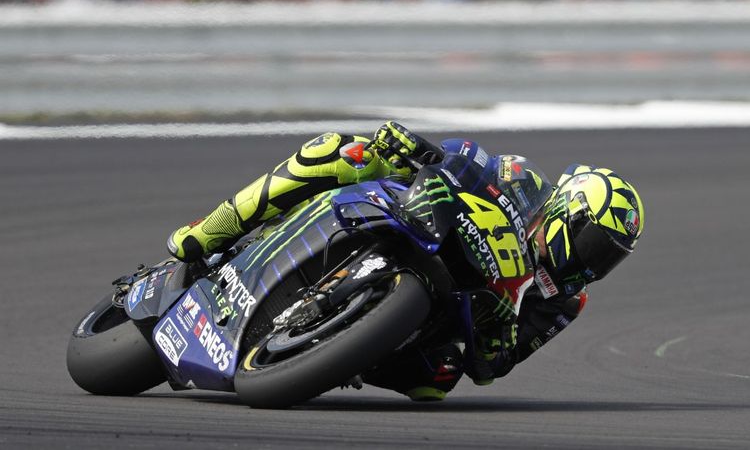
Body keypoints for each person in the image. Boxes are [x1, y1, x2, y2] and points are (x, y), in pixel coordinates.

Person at [168, 121, 645, 401]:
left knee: (438, 381)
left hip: (444, 309)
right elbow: (466, 159)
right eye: (597, 245)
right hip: (419, 216)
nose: (595, 263)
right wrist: (415, 149)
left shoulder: (563, 302)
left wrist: (499, 334)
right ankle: (211, 230)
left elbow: (494, 368)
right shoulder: (523, 180)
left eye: (611, 259)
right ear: (569, 214)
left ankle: (336, 351)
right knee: (341, 151)